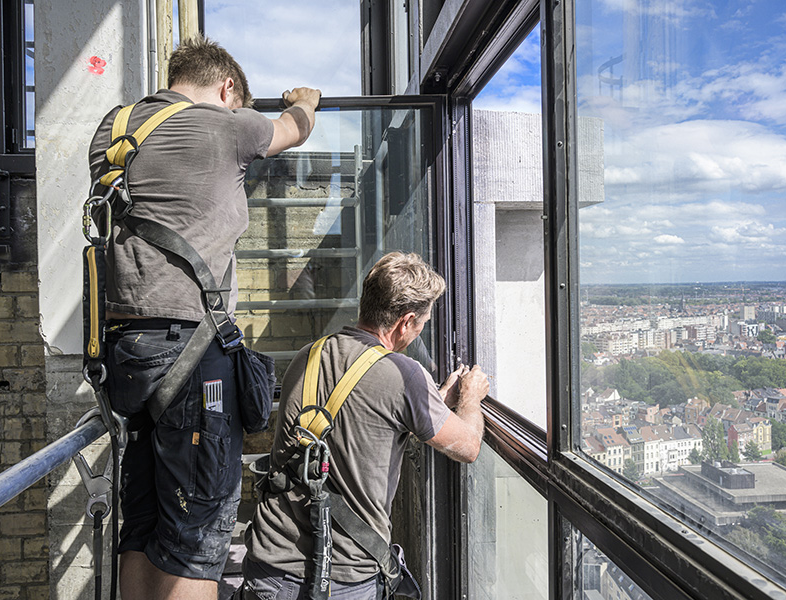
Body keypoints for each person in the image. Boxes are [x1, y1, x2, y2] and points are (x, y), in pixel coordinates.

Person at [87, 36, 321, 600]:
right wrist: (305, 100)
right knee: (196, 540)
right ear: (227, 90)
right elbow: (291, 129)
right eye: (237, 102)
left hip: (124, 355)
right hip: (190, 357)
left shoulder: (114, 130)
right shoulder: (224, 126)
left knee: (141, 526)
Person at [241, 251, 490, 599]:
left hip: (269, 563)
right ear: (406, 322)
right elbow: (468, 447)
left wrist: (433, 402)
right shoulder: (404, 375)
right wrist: (471, 398)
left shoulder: (308, 355)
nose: (419, 332)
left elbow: (362, 413)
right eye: (422, 324)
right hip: (342, 575)